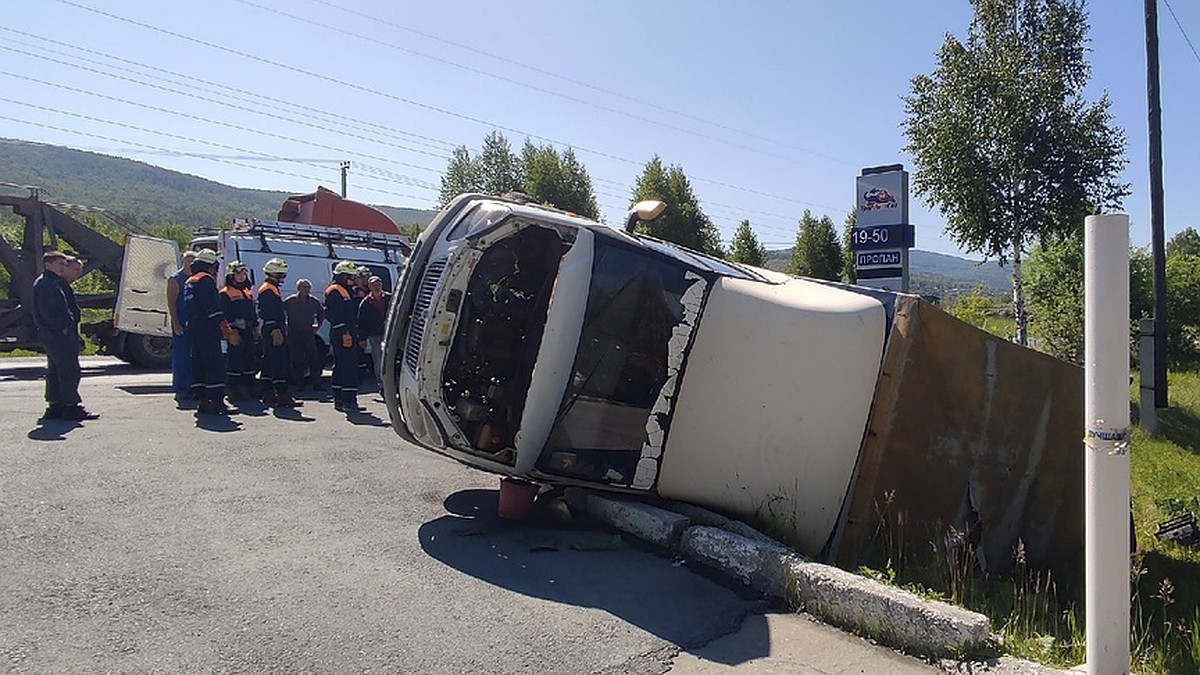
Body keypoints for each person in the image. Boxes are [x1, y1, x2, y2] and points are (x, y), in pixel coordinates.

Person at [31, 250, 97, 421]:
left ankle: (55, 406)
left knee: (55, 370)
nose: (63, 267)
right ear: (48, 264)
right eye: (60, 264)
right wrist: (63, 328)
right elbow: (50, 311)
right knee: (69, 370)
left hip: (55, 335)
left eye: (64, 264)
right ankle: (70, 407)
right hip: (57, 335)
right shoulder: (47, 284)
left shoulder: (54, 282)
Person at [184, 249, 239, 415]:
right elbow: (213, 308)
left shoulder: (190, 281)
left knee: (198, 364)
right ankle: (217, 402)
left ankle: (202, 401)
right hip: (207, 328)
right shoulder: (206, 280)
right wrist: (225, 328)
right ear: (210, 265)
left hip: (193, 327)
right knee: (214, 365)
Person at [256, 258, 298, 408]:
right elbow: (268, 311)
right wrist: (275, 329)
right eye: (281, 275)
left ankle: (267, 392)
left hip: (272, 327)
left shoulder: (271, 287)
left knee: (268, 361)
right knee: (279, 361)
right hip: (273, 328)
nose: (283, 278)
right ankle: (282, 394)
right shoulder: (268, 289)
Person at [219, 261, 258, 401]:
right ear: (231, 276)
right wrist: (231, 330)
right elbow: (224, 313)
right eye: (237, 274)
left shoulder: (247, 291)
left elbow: (252, 311)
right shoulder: (225, 293)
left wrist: (255, 325)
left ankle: (251, 386)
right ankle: (232, 389)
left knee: (249, 358)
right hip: (235, 330)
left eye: (243, 274)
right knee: (234, 360)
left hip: (247, 329)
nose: (241, 277)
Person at [325, 260, 361, 412]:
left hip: (346, 331)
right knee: (348, 365)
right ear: (342, 276)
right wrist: (345, 331)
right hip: (342, 332)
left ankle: (340, 398)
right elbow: (334, 314)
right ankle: (347, 400)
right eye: (350, 277)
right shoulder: (335, 290)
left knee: (341, 365)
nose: (353, 280)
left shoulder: (345, 290)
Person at [283, 278, 325, 391]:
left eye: (308, 287)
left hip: (308, 333)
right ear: (298, 288)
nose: (306, 289)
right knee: (297, 360)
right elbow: (280, 312)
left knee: (314, 359)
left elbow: (321, 312)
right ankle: (299, 384)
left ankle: (316, 383)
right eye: (303, 287)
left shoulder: (313, 301)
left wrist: (318, 325)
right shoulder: (290, 301)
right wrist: (285, 325)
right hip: (293, 333)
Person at [167, 251, 197, 407]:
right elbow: (171, 303)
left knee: (195, 357)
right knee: (182, 357)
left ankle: (194, 387)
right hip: (182, 321)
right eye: (189, 261)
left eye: (194, 261)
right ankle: (181, 389)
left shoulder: (196, 278)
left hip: (195, 322)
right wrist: (176, 323)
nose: (191, 264)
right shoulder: (175, 279)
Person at [357, 275, 391, 387]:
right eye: (374, 285)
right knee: (378, 361)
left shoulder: (390, 298)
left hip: (390, 334)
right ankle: (381, 384)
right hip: (375, 335)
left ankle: (392, 383)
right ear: (369, 287)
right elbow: (361, 322)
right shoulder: (366, 303)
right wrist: (362, 338)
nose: (377, 287)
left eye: (378, 285)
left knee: (391, 359)